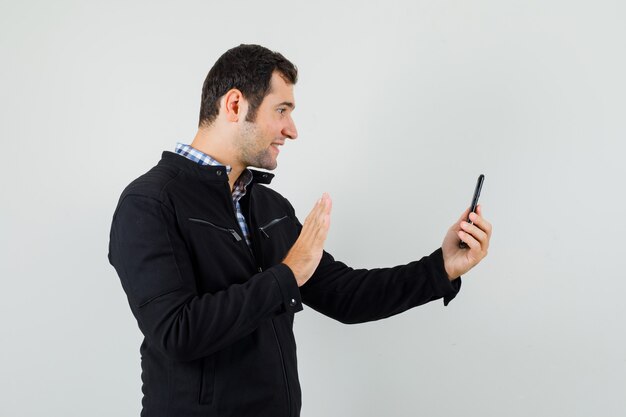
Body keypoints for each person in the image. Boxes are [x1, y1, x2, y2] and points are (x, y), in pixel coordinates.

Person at [108, 44, 492, 417]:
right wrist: (286, 275)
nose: (291, 130)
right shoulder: (151, 202)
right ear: (235, 105)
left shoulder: (267, 207)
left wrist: (441, 268)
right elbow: (177, 332)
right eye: (282, 110)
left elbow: (345, 296)